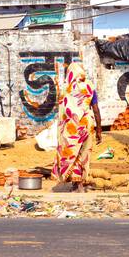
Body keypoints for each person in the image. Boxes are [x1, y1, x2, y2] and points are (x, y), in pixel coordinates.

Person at [51, 61, 103, 192]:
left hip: (71, 128)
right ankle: (79, 184)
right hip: (86, 125)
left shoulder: (65, 89)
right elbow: (96, 109)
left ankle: (76, 184)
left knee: (71, 154)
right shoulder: (89, 87)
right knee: (83, 153)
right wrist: (99, 130)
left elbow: (62, 111)